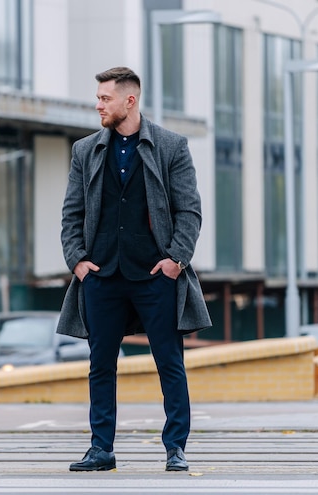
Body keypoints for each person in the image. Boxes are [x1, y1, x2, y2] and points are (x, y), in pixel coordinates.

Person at [57, 67, 211, 472]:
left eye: (104, 98)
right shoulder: (85, 150)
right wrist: (77, 261)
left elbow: (189, 211)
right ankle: (101, 449)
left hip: (155, 276)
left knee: (169, 363)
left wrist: (177, 260)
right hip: (101, 276)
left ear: (130, 100)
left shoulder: (170, 146)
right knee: (100, 365)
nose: (98, 105)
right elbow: (71, 213)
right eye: (98, 98)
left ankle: (175, 447)